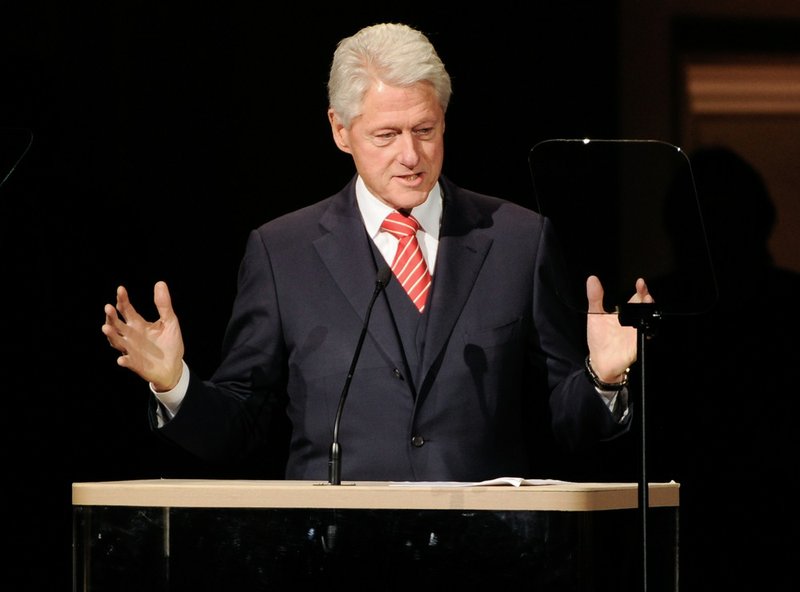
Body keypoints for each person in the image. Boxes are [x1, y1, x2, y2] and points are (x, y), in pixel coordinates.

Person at [101, 22, 652, 483]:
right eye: (387, 135)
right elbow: (240, 427)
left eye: (425, 130)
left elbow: (568, 425)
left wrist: (602, 380)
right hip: (337, 556)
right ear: (341, 130)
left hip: (486, 553)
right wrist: (176, 385)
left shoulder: (518, 240)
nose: (411, 155)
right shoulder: (281, 252)